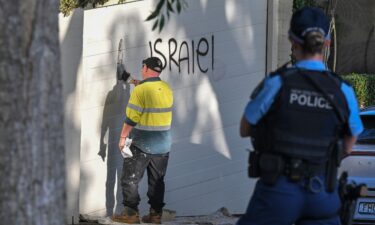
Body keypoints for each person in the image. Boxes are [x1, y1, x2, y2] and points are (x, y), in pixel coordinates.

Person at [237, 7, 363, 225]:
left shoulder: (277, 83)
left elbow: (245, 128)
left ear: (291, 40)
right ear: (326, 43)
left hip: (278, 192)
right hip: (322, 191)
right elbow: (350, 144)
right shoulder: (343, 90)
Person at [112, 57, 174, 224]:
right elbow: (149, 90)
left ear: (146, 68)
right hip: (163, 144)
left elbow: (131, 118)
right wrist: (130, 80)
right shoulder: (166, 88)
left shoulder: (140, 91)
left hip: (142, 142)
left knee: (130, 178)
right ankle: (155, 215)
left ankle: (131, 213)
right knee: (157, 181)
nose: (141, 69)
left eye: (142, 66)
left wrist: (123, 137)